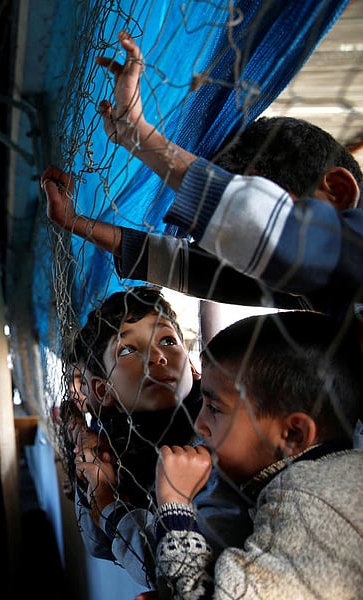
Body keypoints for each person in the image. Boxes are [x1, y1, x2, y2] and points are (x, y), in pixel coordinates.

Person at [42, 31, 363, 328]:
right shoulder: (314, 286)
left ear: (337, 192)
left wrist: (140, 135)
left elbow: (269, 233)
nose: (245, 236)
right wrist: (76, 222)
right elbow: (204, 271)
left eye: (267, 200)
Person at [153, 310, 362, 599]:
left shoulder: (307, 500)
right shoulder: (332, 476)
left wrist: (175, 503)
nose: (199, 424)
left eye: (214, 408)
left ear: (293, 435)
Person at [71, 286, 252, 589]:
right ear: (104, 391)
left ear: (193, 368)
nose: (157, 357)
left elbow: (167, 572)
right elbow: (97, 545)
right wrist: (87, 475)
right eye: (128, 350)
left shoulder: (216, 442)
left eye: (168, 341)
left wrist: (104, 497)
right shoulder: (115, 442)